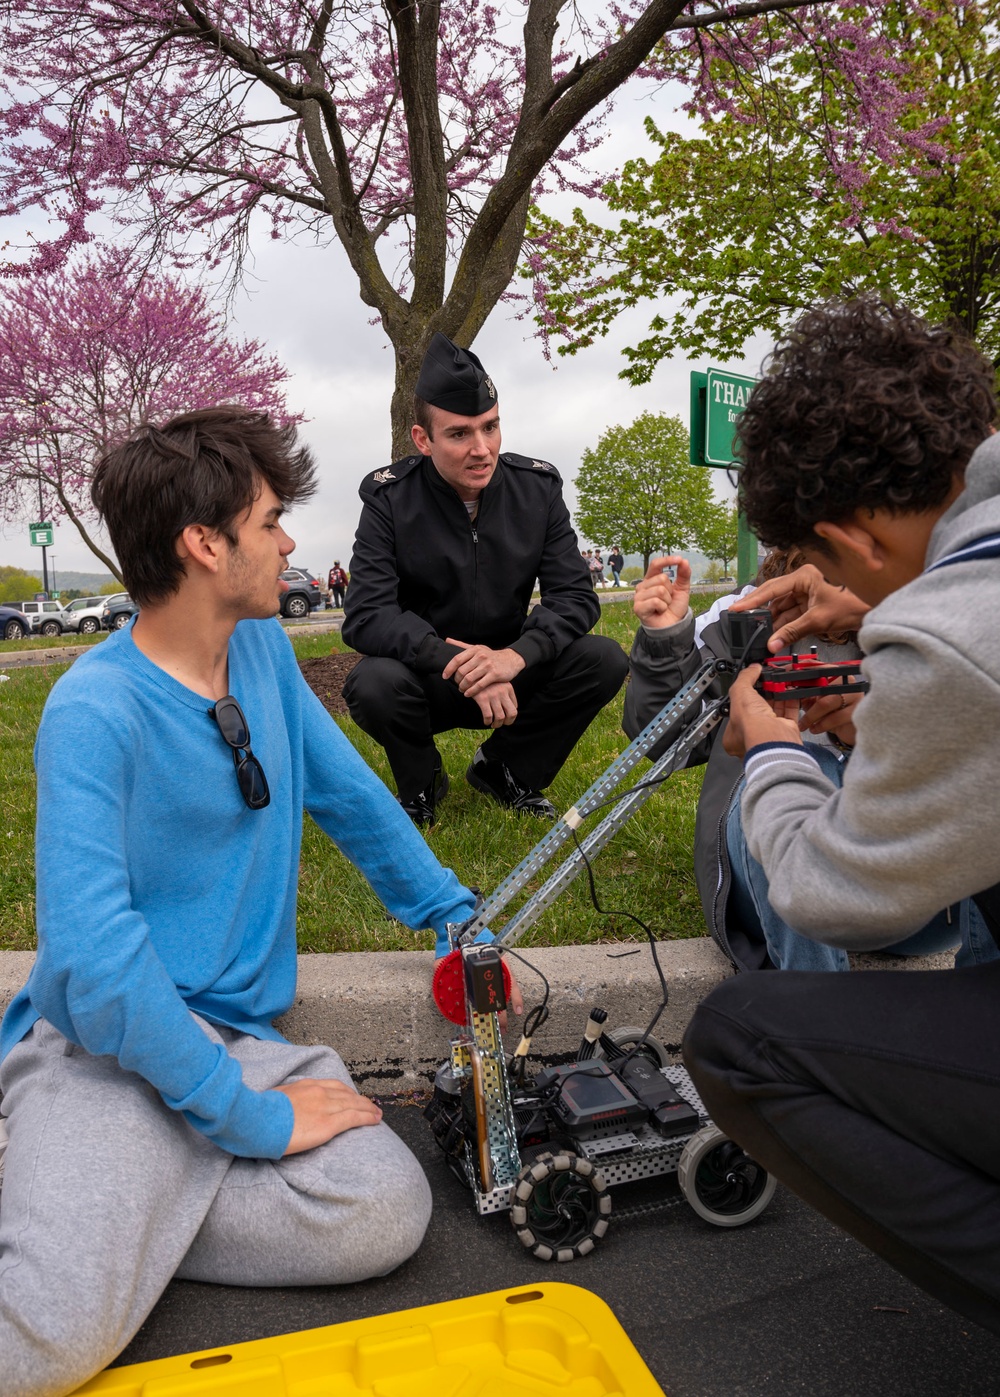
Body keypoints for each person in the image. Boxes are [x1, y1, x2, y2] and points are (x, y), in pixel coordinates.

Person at [0, 408, 514, 1397]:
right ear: (204, 543)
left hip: (242, 1039)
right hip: (107, 1053)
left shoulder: (264, 652)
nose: (289, 543)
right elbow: (97, 959)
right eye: (272, 520)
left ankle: (101, 1216)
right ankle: (83, 1211)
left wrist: (458, 918)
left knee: (379, 1208)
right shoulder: (92, 708)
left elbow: (349, 797)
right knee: (40, 1346)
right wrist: (249, 1121)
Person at [682, 297, 1000, 1335]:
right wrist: (880, 652)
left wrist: (774, 748)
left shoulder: (953, 636)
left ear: (849, 532)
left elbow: (833, 893)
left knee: (739, 1038)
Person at [624, 549, 983, 971]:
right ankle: (820, 1015)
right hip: (776, 884)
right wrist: (667, 640)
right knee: (801, 761)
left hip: (921, 900)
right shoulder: (743, 612)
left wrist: (887, 727)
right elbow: (668, 741)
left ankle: (985, 1005)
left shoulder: (943, 610)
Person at [341, 333, 629, 825]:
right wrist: (461, 661)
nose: (482, 449)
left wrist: (515, 657)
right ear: (422, 439)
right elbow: (367, 615)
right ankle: (422, 781)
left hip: (513, 675)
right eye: (459, 434)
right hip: (428, 676)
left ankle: (505, 769)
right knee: (372, 682)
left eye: (490, 428)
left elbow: (576, 598)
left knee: (602, 659)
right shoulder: (390, 500)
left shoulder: (536, 491)